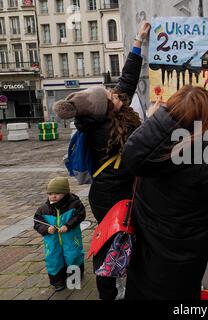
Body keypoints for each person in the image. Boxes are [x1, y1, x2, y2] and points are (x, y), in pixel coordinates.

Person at [122, 85, 208, 300]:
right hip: (180, 260)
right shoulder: (199, 163)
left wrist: (152, 123)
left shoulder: (145, 146)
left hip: (144, 252)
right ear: (203, 122)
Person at [55, 22, 151, 300]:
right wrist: (157, 119)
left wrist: (137, 43)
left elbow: (127, 81)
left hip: (120, 192)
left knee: (124, 242)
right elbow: (140, 147)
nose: (116, 93)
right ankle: (108, 294)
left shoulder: (109, 113)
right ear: (107, 109)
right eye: (110, 96)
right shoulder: (103, 130)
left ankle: (127, 285)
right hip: (109, 197)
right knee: (112, 244)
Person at [34, 177, 86, 292]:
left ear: (65, 192)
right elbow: (37, 223)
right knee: (53, 259)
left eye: (57, 193)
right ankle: (57, 281)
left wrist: (68, 225)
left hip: (71, 238)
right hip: (52, 241)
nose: (53, 196)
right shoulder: (43, 209)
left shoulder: (74, 204)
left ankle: (74, 276)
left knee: (73, 256)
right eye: (50, 193)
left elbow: (80, 215)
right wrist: (47, 229)